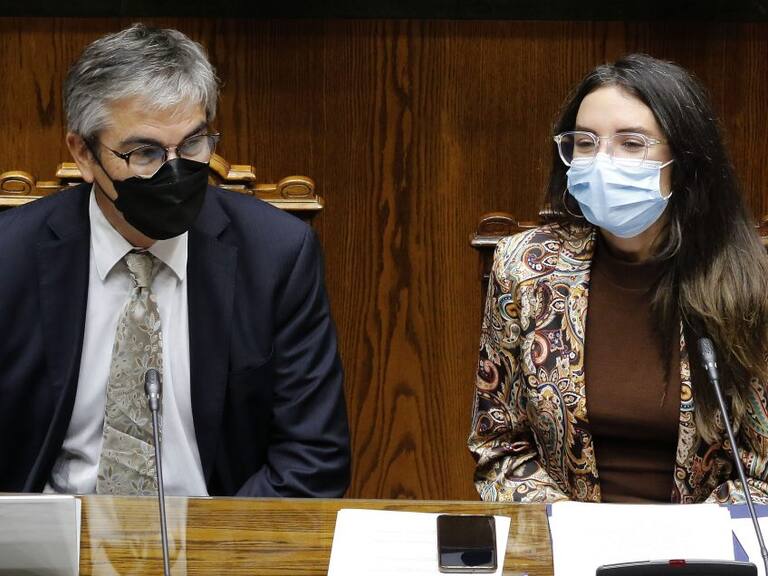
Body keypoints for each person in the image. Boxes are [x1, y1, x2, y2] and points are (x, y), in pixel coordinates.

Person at [0, 23, 350, 498]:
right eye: (144, 152)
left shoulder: (277, 256)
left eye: (191, 145)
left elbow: (313, 459)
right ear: (83, 153)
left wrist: (215, 555)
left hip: (218, 545)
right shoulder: (10, 257)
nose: (174, 170)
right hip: (52, 546)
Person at [468, 54, 768, 504]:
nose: (602, 161)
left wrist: (690, 544)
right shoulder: (527, 266)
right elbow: (499, 448)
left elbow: (762, 471)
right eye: (585, 143)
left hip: (703, 555)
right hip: (569, 551)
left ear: (684, 161)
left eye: (631, 143)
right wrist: (573, 533)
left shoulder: (750, 280)